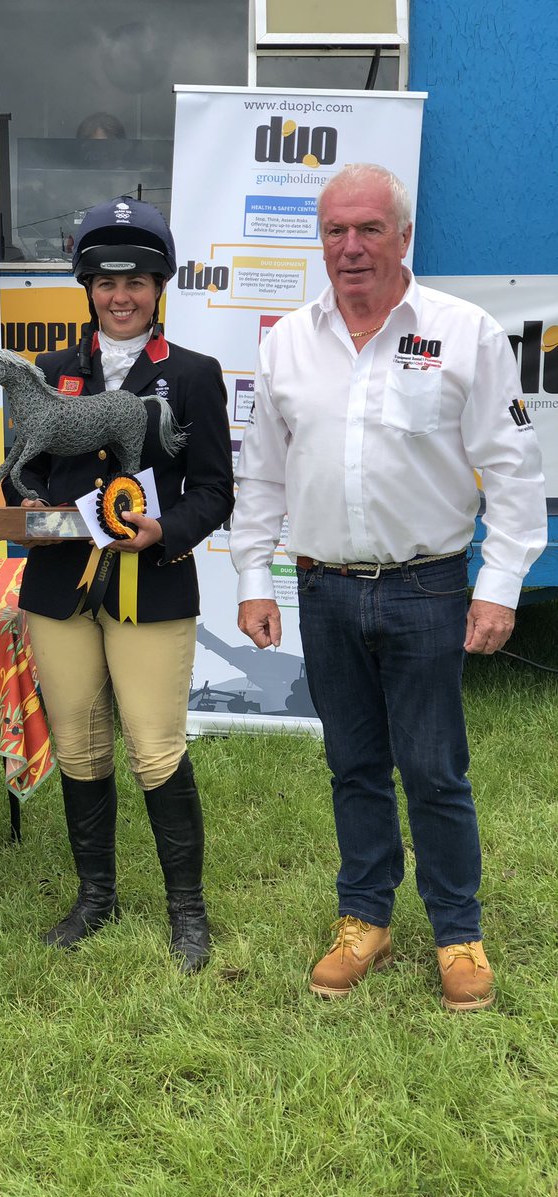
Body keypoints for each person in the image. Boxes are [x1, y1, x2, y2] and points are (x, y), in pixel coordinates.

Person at [231, 163, 547, 1011]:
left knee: (435, 768)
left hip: (429, 588)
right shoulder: (286, 342)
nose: (351, 247)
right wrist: (255, 576)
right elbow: (261, 477)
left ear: (404, 237)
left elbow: (514, 471)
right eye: (335, 231)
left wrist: (503, 582)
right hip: (324, 588)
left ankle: (458, 931)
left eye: (370, 229)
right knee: (353, 764)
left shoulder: (464, 331)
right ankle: (364, 917)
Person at [4, 197, 234, 973]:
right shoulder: (47, 374)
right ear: (86, 287)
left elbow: (214, 491)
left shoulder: (193, 375)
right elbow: (24, 476)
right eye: (106, 281)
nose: (121, 295)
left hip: (153, 586)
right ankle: (95, 896)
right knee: (78, 741)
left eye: (137, 279)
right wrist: (24, 505)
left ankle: (187, 912)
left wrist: (165, 528)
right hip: (60, 589)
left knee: (155, 745)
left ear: (160, 285)